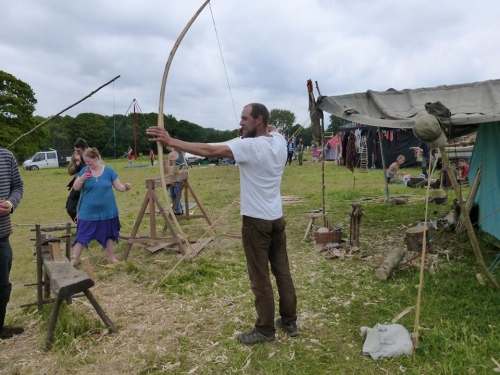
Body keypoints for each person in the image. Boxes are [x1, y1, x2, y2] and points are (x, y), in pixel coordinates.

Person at [146, 103, 297, 345]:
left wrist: (171, 141)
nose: (240, 123)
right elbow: (274, 127)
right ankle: (289, 321)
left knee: (260, 278)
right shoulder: (278, 141)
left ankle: (266, 330)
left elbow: (209, 150)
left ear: (258, 120)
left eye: (244, 118)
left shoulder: (250, 146)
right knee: (283, 273)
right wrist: (257, 128)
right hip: (276, 219)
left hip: (257, 222)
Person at [70, 148, 132, 266]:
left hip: (108, 211)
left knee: (109, 235)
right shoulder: (84, 171)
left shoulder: (109, 171)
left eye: (89, 161)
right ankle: (74, 259)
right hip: (88, 212)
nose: (87, 164)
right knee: (82, 235)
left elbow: (118, 186)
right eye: (85, 161)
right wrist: (82, 178)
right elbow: (76, 187)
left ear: (96, 158)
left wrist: (125, 187)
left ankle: (112, 258)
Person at [0, 148, 24, 339]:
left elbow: (18, 186)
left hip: (2, 235)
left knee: (2, 286)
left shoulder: (6, 156)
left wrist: (11, 203)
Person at [66, 138, 89, 222]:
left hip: (90, 185)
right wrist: (78, 162)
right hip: (77, 184)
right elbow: (70, 171)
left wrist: (85, 159)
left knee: (88, 208)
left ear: (85, 148)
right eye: (75, 150)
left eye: (79, 150)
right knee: (70, 207)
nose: (77, 152)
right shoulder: (75, 156)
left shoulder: (93, 154)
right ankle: (81, 225)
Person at [168, 147, 184, 215]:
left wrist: (180, 171)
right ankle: (179, 209)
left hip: (177, 177)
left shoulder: (178, 155)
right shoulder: (176, 154)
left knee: (176, 194)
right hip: (174, 177)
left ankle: (178, 210)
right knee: (174, 194)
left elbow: (184, 166)